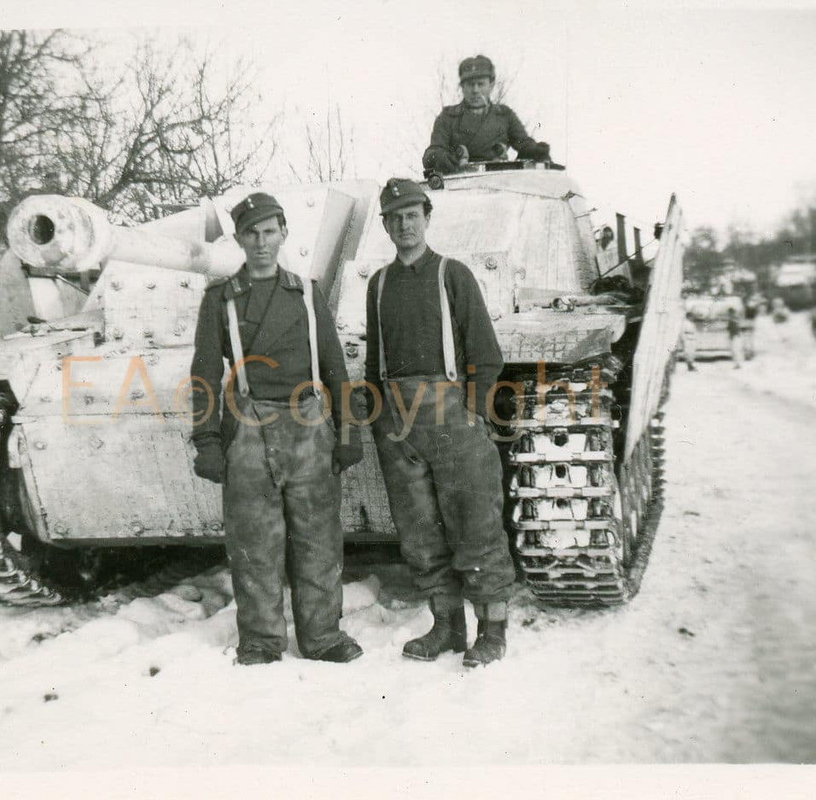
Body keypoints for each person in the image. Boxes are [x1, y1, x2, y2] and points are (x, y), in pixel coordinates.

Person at [190, 192, 364, 666]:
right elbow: (204, 374)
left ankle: (324, 636)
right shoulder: (220, 300)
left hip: (308, 426)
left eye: (270, 232)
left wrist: (348, 434)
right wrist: (206, 441)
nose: (262, 242)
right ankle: (263, 641)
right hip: (247, 431)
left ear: (284, 233)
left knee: (318, 541)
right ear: (240, 239)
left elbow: (334, 369)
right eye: (252, 233)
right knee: (254, 544)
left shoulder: (307, 294)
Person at [365, 178, 517, 668]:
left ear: (426, 218)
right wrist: (380, 422)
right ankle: (447, 627)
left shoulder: (453, 274)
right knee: (420, 531)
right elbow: (374, 363)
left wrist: (473, 413)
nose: (405, 224)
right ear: (385, 225)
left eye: (412, 214)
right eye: (395, 217)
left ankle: (491, 632)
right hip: (399, 422)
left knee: (476, 526)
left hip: (452, 413)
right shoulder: (379, 284)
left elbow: (485, 355)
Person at [422, 55, 550, 176]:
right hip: (459, 183)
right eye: (470, 84)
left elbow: (523, 142)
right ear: (462, 86)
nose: (475, 90)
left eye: (481, 84)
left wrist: (535, 150)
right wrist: (442, 158)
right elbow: (432, 152)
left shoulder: (504, 115)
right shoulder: (448, 117)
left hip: (499, 182)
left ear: (491, 85)